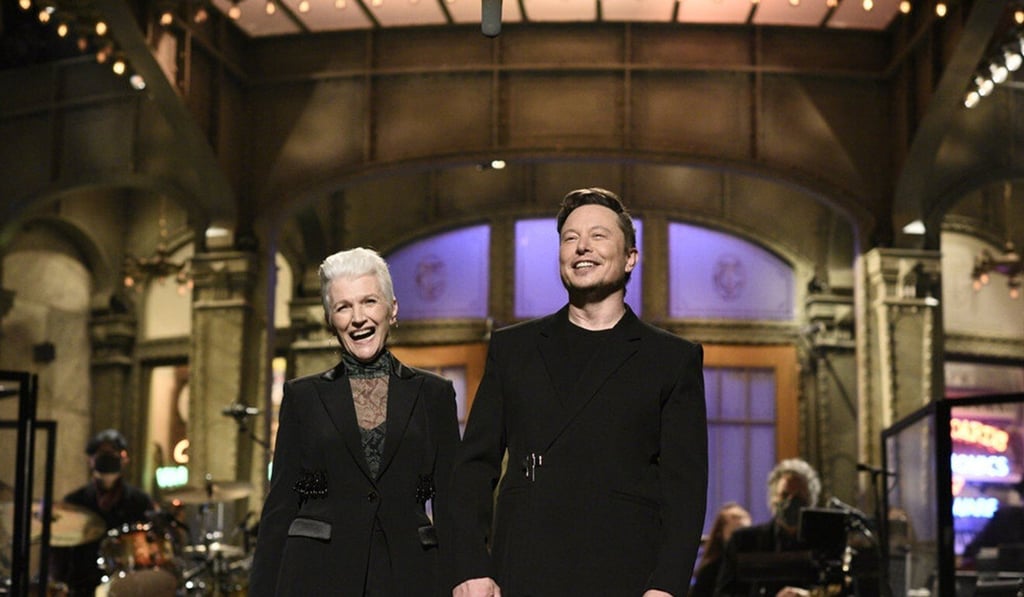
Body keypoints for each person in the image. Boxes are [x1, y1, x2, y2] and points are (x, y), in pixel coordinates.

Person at [450, 187, 709, 597]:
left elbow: (685, 490)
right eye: (569, 238)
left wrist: (667, 586)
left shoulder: (672, 359)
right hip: (522, 570)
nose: (581, 246)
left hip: (624, 573)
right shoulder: (513, 348)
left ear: (630, 258)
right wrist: (469, 567)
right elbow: (472, 468)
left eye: (598, 236)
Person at [249, 247, 461, 596]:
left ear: (392, 310)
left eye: (369, 302)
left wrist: (467, 577)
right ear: (330, 320)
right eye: (343, 307)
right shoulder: (303, 398)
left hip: (410, 575)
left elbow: (452, 504)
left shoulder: (434, 395)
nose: (357, 317)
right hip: (316, 576)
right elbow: (281, 506)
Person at [50, 429, 157, 597]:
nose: (108, 458)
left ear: (125, 459)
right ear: (90, 459)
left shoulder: (140, 501)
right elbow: (60, 551)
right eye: (101, 453)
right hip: (82, 586)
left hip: (129, 586)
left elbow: (152, 542)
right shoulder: (74, 501)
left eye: (113, 453)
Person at [713, 458, 823, 597]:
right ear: (773, 499)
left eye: (799, 497)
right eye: (785, 495)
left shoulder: (823, 545)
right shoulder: (744, 542)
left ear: (810, 501)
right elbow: (724, 593)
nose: (791, 502)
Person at [689, 502, 752, 597]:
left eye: (746, 534)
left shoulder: (755, 565)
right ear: (720, 534)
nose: (742, 540)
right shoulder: (710, 570)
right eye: (735, 534)